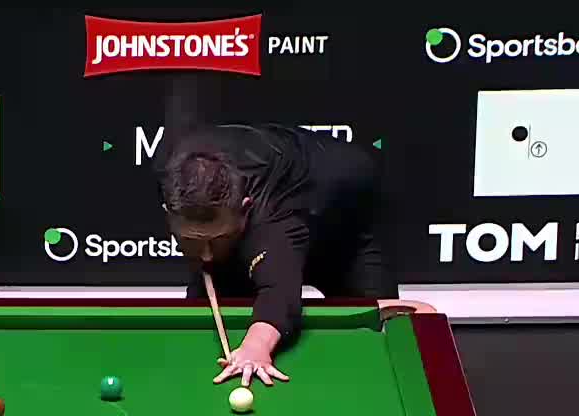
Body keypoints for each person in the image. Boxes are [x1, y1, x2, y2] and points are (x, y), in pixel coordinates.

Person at [154, 82, 428, 387]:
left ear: (246, 208)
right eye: (191, 241)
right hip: (272, 210)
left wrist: (255, 348)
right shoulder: (171, 171)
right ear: (168, 211)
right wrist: (212, 244)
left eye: (216, 239)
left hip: (347, 232)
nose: (205, 254)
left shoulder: (273, 212)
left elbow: (280, 295)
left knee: (376, 352)